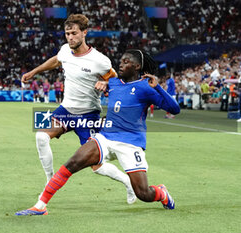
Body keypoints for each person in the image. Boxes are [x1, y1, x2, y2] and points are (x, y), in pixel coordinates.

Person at [16, 49, 180, 216]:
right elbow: (100, 83)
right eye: (121, 61)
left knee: (144, 194)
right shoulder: (114, 83)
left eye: (126, 62)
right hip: (105, 138)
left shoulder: (145, 87)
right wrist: (105, 84)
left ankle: (161, 193)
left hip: (130, 144)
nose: (120, 65)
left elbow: (174, 109)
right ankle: (40, 205)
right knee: (73, 163)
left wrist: (158, 86)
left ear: (137, 66)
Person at [21, 14, 136, 204]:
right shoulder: (65, 50)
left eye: (74, 33)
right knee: (41, 137)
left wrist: (105, 83)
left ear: (84, 33)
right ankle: (50, 181)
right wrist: (34, 72)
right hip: (66, 110)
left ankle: (128, 182)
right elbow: (57, 60)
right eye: (67, 33)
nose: (70, 37)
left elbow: (117, 81)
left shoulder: (100, 60)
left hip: (88, 114)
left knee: (97, 166)